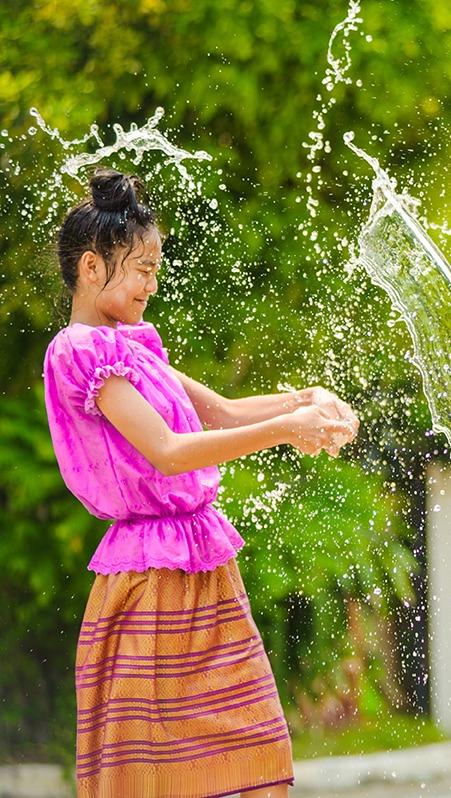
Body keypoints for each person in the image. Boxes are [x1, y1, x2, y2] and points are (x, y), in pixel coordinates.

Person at [44, 168, 358, 798]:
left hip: (201, 561)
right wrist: (289, 428)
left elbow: (225, 412)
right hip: (151, 576)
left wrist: (305, 401)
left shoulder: (134, 344)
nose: (151, 285)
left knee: (248, 745)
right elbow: (167, 453)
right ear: (91, 268)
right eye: (142, 269)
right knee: (160, 768)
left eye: (157, 269)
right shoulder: (80, 351)